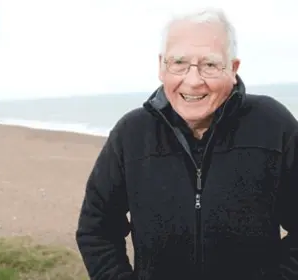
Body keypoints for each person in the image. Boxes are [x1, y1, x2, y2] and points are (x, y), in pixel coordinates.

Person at [76, 7, 298, 280]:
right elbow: (96, 229)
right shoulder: (131, 134)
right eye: (179, 62)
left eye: (210, 65)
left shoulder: (273, 125)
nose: (193, 81)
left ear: (233, 69)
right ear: (161, 66)